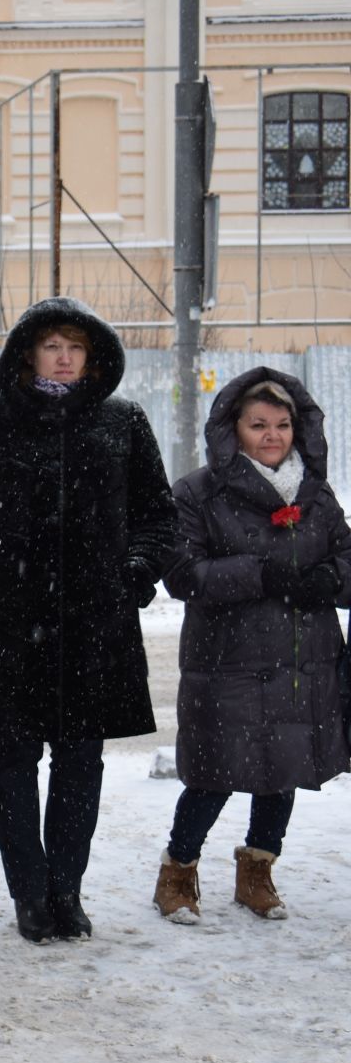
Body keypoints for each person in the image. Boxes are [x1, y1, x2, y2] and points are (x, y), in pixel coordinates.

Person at [0, 299, 174, 943]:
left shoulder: (121, 423)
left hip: (93, 626)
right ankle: (28, 893)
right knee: (13, 759)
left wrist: (131, 571)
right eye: (51, 344)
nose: (65, 356)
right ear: (26, 353)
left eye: (76, 345)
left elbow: (159, 515)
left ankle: (66, 890)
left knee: (81, 762)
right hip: (11, 622)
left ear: (93, 356)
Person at [153, 369, 351, 924]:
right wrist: (260, 574)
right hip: (227, 664)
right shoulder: (197, 492)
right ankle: (178, 870)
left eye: (283, 424)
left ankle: (258, 871)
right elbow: (183, 575)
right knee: (215, 774)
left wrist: (327, 581)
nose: (272, 435)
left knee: (282, 771)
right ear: (233, 429)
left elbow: (348, 562)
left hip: (298, 662)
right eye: (258, 424)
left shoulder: (317, 495)